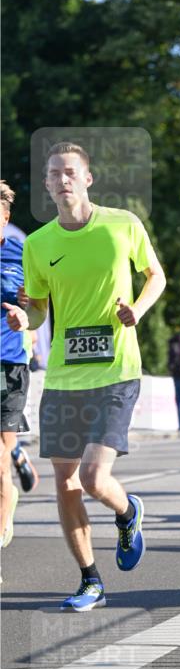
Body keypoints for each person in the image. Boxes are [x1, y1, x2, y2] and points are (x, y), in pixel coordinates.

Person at [15, 142, 165, 611]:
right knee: (65, 483)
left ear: (87, 178)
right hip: (63, 377)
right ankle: (89, 579)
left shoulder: (122, 224)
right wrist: (26, 320)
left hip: (117, 369)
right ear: (45, 185)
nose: (63, 179)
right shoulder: (38, 245)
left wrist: (136, 310)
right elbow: (39, 310)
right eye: (54, 173)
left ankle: (127, 511)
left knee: (96, 477)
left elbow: (155, 276)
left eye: (71, 172)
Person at [1, 180, 33, 550]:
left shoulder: (24, 253)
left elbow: (42, 303)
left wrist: (29, 306)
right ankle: (17, 451)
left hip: (6, 365)